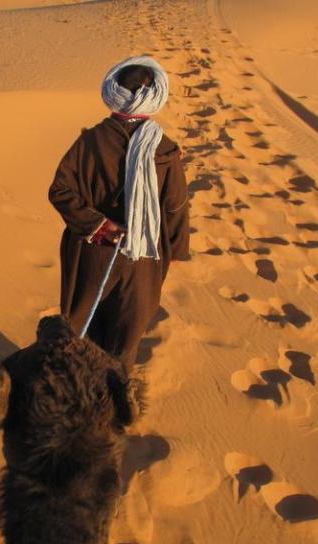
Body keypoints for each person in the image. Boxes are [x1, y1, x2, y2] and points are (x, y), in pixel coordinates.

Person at [48, 56, 190, 369]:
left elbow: (60, 191)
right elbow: (176, 205)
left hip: (92, 251)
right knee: (126, 334)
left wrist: (97, 225)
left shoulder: (89, 142)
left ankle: (79, 385)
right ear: (154, 98)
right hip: (143, 257)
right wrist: (176, 250)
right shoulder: (163, 148)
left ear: (114, 95)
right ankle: (115, 396)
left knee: (82, 327)